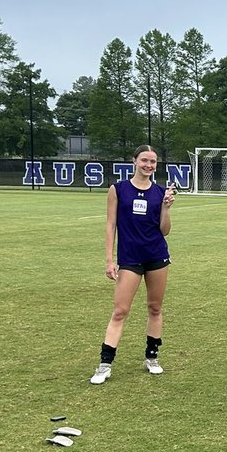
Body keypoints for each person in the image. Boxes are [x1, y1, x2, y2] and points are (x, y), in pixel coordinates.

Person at [90, 145, 177, 383]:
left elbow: (165, 230)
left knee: (155, 308)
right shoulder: (118, 190)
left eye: (153, 162)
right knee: (120, 311)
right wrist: (110, 260)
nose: (149, 165)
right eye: (144, 160)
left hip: (157, 256)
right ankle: (105, 364)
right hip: (130, 258)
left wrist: (167, 208)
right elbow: (110, 226)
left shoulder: (160, 193)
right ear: (134, 161)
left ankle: (152, 357)